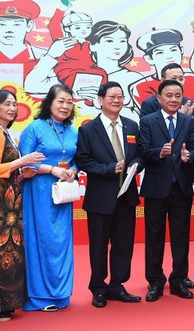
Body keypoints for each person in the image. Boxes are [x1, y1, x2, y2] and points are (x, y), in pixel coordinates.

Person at [75, 82, 143, 308]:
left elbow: (140, 155)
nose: (117, 100)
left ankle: (117, 285)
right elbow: (83, 160)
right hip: (100, 197)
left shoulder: (132, 126)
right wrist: (108, 169)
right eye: (112, 96)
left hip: (127, 196)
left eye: (120, 96)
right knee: (99, 245)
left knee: (124, 244)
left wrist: (135, 166)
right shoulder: (88, 129)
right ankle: (98, 287)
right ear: (100, 100)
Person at [0, 89, 43, 321]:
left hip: (9, 199)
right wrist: (24, 159)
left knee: (10, 250)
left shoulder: (5, 132)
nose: (12, 108)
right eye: (7, 104)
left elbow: (6, 167)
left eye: (14, 104)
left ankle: (6, 302)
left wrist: (23, 171)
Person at [137, 79, 194, 301]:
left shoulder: (188, 121)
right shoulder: (147, 121)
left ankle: (178, 280)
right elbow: (143, 149)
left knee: (181, 237)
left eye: (177, 95)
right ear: (159, 98)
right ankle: (155, 281)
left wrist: (188, 157)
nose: (174, 99)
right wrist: (159, 153)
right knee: (154, 237)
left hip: (181, 187)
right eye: (169, 95)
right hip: (156, 187)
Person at [19, 83, 79, 311]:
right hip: (39, 193)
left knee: (61, 242)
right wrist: (51, 169)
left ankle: (61, 294)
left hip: (63, 194)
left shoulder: (73, 130)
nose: (65, 106)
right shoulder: (34, 128)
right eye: (60, 101)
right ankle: (38, 297)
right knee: (41, 240)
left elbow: (75, 158)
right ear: (49, 103)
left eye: (69, 102)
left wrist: (73, 170)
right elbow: (24, 160)